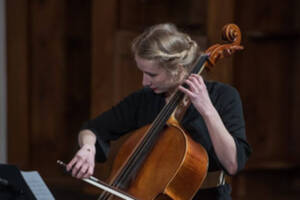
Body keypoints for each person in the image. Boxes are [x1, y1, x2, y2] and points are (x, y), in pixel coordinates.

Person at [66, 23, 251, 200]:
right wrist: (88, 148)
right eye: (143, 72)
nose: (144, 82)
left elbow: (232, 164)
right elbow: (93, 129)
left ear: (178, 70)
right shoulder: (145, 99)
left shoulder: (223, 96)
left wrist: (208, 110)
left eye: (152, 74)